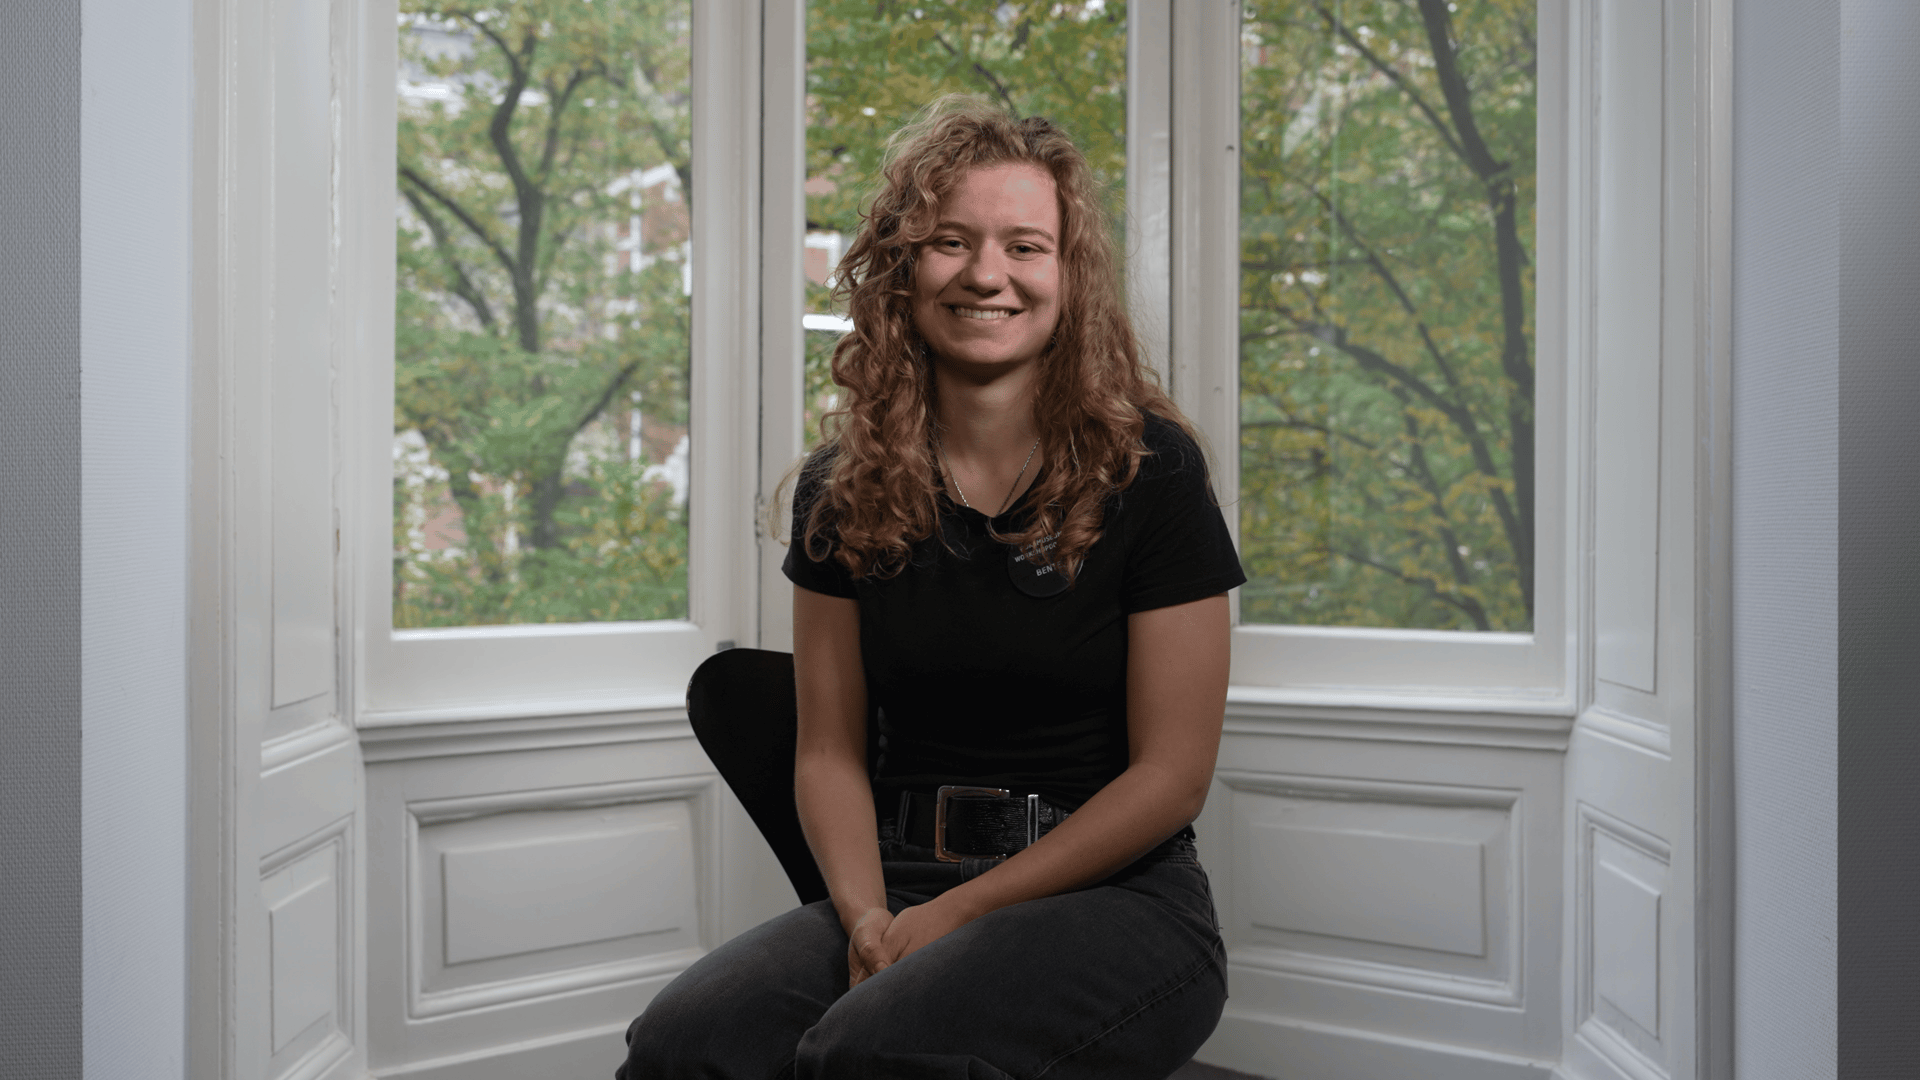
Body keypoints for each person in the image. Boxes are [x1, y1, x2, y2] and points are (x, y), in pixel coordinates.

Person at [618, 95, 1245, 1080]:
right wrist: (869, 917)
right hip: (900, 875)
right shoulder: (840, 487)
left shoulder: (1151, 471)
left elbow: (1173, 777)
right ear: (904, 270)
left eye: (1025, 247)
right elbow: (827, 751)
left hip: (1119, 900)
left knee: (871, 1051)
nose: (987, 273)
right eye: (951, 241)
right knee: (682, 1043)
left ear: (1068, 280)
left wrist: (956, 915)